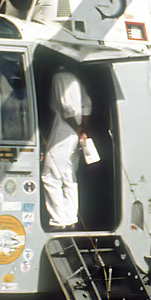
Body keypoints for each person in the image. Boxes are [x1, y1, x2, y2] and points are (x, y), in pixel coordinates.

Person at [43, 70, 94, 230]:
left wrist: (77, 129)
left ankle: (59, 219)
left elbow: (67, 107)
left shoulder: (59, 77)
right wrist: (82, 130)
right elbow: (87, 105)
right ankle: (71, 217)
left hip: (64, 131)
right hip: (75, 132)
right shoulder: (76, 78)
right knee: (69, 175)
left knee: (50, 175)